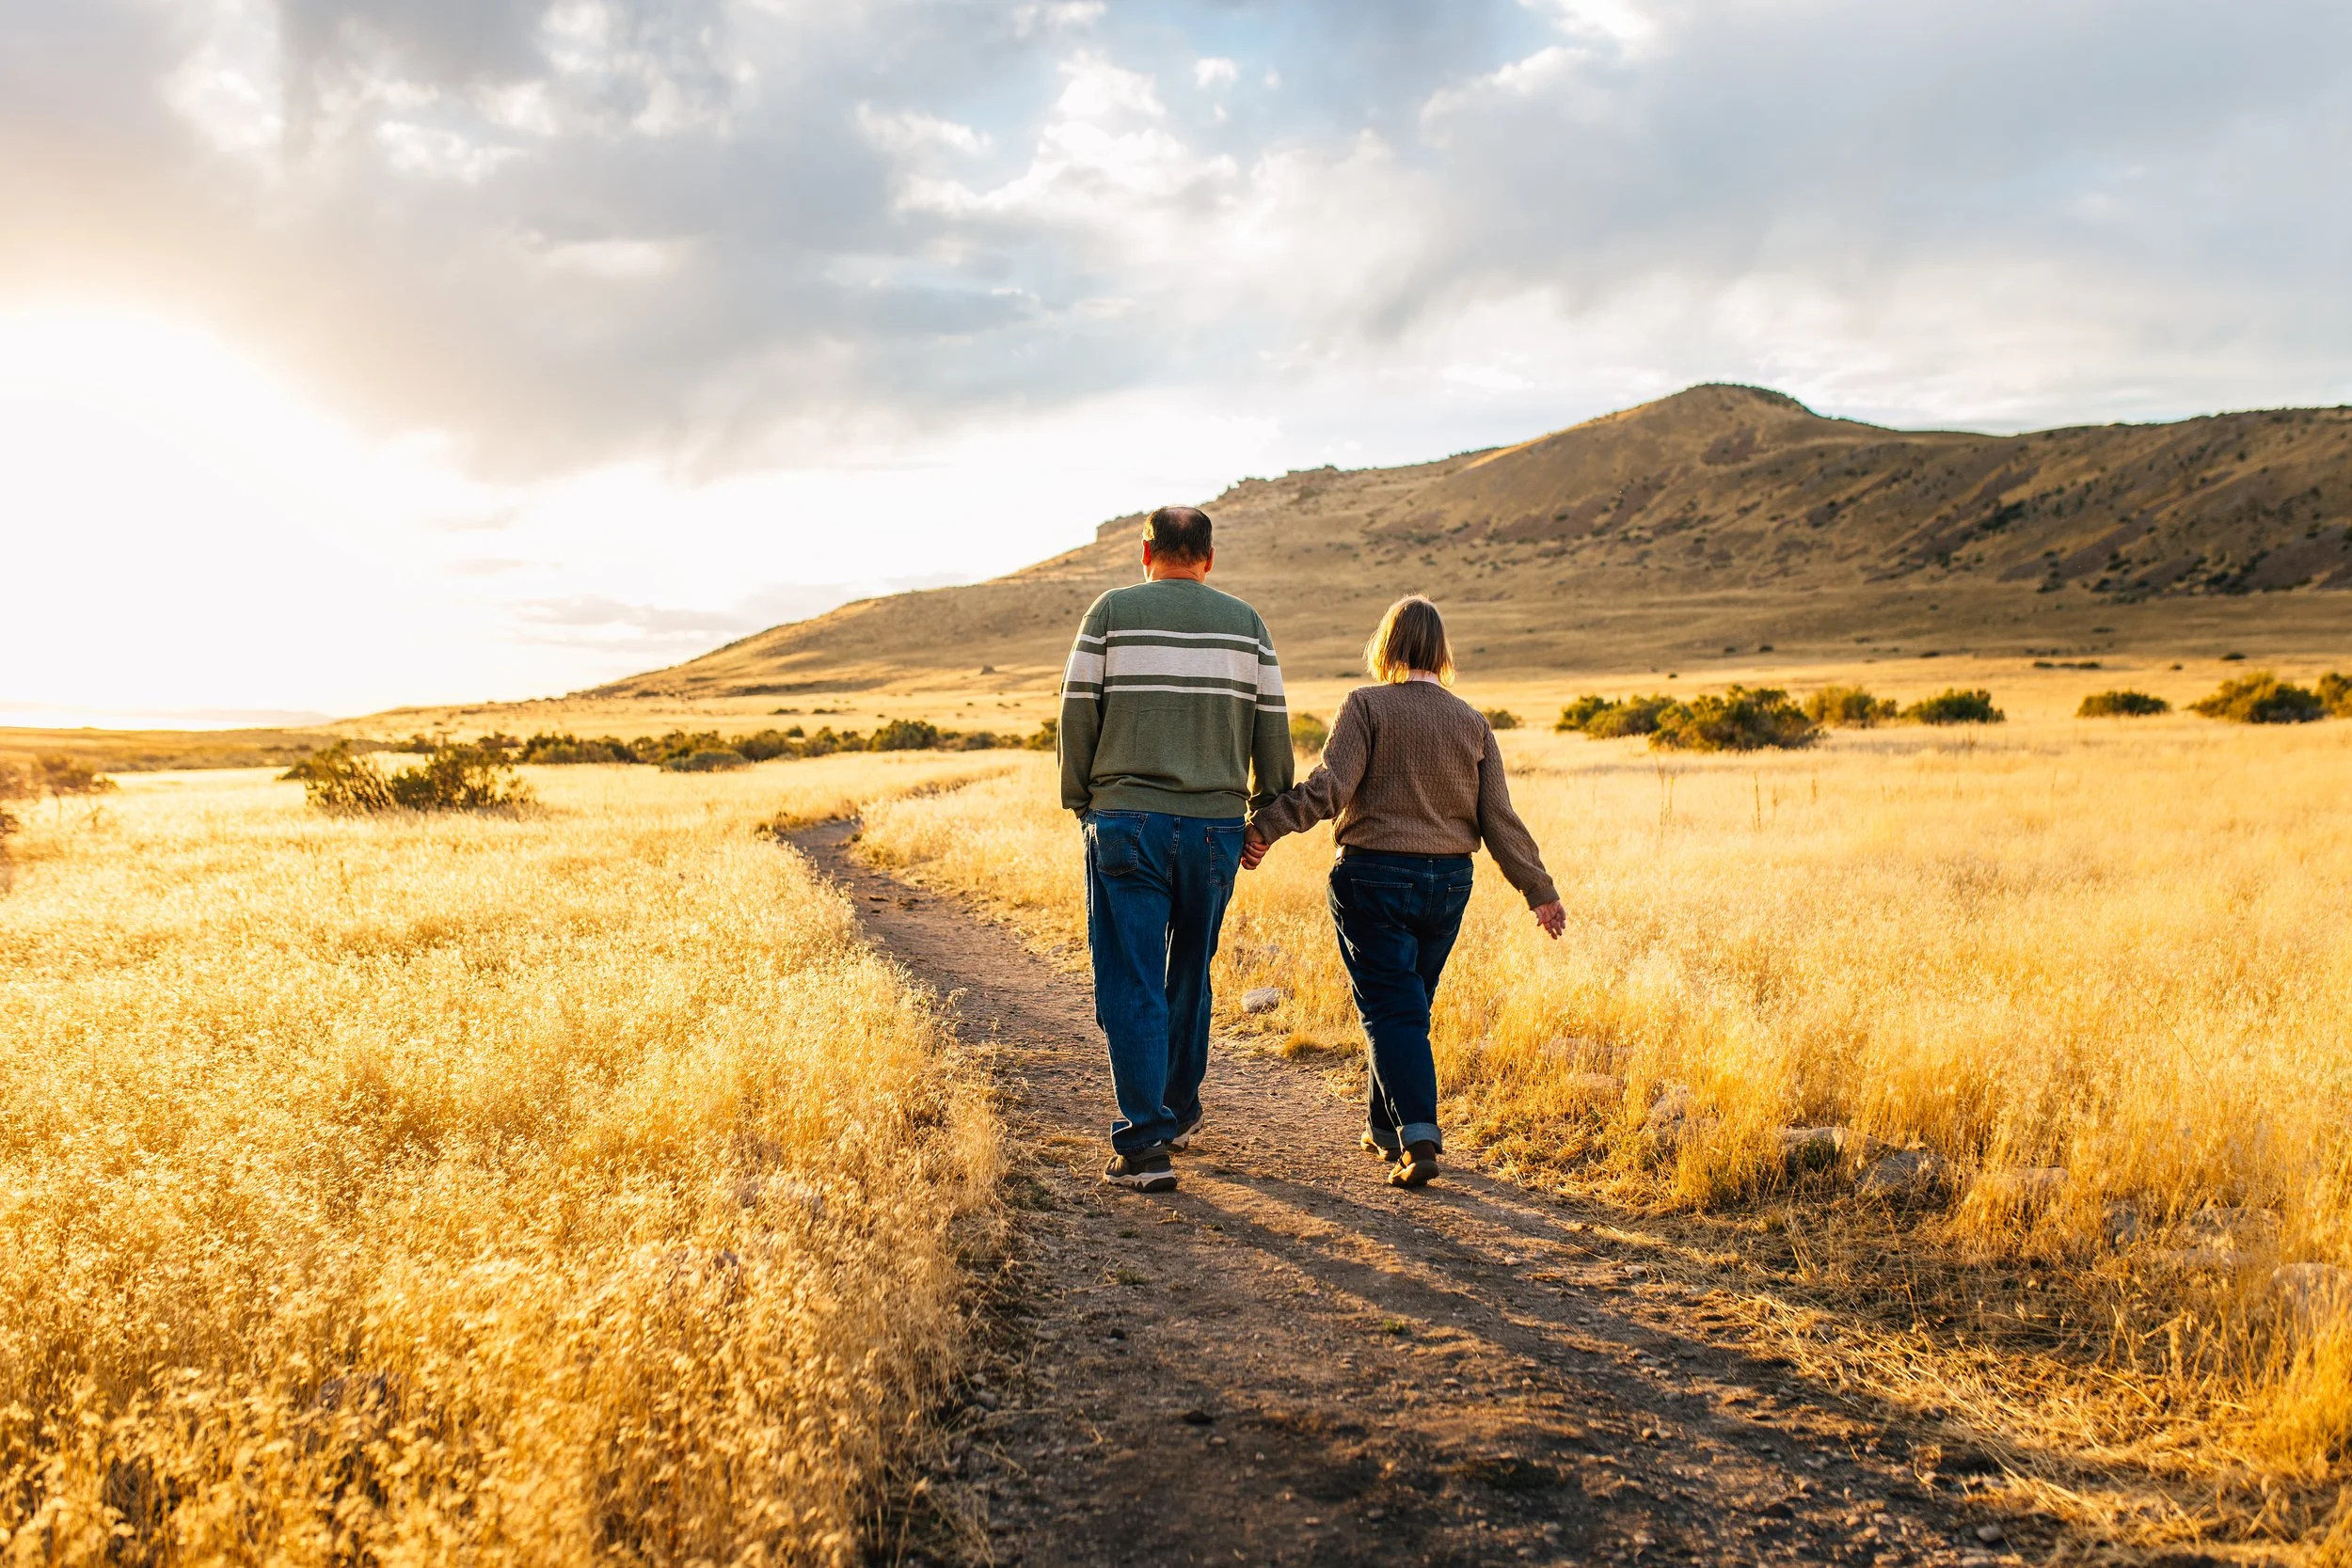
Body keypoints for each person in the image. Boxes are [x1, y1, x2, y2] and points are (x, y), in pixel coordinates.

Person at [1243, 595, 1564, 1189]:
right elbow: (1499, 817)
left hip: (1373, 877)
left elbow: (1330, 789)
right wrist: (1538, 890)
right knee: (1406, 1007)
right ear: (1441, 651)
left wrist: (1266, 825)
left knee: (1393, 1008)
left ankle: (1419, 1135)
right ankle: (1384, 1129)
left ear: (1386, 646)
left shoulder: (1366, 705)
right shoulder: (1472, 722)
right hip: (1448, 885)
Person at [1059, 505, 1294, 1193]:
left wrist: (1082, 800)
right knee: (1190, 969)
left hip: (1126, 818)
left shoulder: (1110, 612)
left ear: (1146, 550)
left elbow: (1078, 709)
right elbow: (1272, 726)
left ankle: (1144, 1143)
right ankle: (1179, 1110)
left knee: (1131, 975)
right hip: (1215, 827)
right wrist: (1266, 813)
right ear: (1209, 558)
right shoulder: (1247, 624)